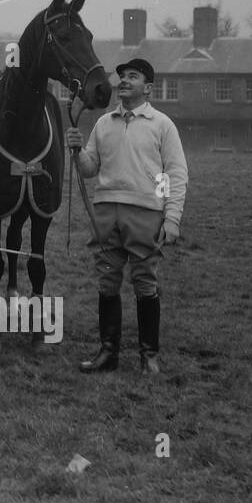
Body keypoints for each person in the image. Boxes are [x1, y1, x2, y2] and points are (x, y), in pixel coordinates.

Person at [65, 58, 187, 374]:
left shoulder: (162, 124)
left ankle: (149, 357)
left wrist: (171, 218)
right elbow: (91, 170)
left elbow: (175, 173)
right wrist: (78, 152)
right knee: (107, 281)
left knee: (145, 282)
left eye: (133, 76)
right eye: (122, 76)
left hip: (146, 213)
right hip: (106, 211)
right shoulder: (104, 123)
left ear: (148, 87)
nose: (124, 81)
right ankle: (109, 353)